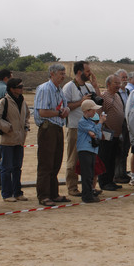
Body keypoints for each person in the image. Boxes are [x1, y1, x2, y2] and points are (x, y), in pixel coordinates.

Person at [33, 63, 70, 207]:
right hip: (47, 128)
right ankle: (43, 195)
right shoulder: (44, 89)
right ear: (52, 74)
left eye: (64, 73)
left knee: (56, 162)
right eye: (61, 73)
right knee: (46, 163)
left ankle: (54, 193)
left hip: (58, 126)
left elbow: (63, 106)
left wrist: (65, 110)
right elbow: (42, 111)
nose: (63, 76)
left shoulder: (59, 90)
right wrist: (59, 113)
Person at [61, 60, 100, 197]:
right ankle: (72, 187)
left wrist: (95, 86)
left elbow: (98, 102)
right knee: (73, 158)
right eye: (88, 71)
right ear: (79, 72)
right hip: (75, 127)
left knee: (89, 159)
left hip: (90, 127)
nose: (90, 73)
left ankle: (88, 187)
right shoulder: (69, 87)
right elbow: (65, 107)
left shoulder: (89, 86)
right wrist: (81, 102)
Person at [0, 78, 30, 202]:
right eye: (19, 86)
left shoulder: (23, 101)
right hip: (8, 140)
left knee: (17, 167)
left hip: (19, 140)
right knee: (6, 168)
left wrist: (26, 127)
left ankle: (17, 192)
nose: (22, 88)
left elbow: (27, 115)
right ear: (12, 88)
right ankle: (7, 194)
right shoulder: (4, 102)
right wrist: (8, 128)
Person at [98, 75, 124, 191]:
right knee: (105, 158)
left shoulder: (117, 96)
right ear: (108, 84)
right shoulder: (104, 97)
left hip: (116, 134)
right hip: (107, 133)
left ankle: (111, 180)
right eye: (116, 83)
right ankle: (104, 182)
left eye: (119, 83)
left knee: (113, 158)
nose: (119, 85)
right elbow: (99, 113)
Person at [77, 99, 105, 203]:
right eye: (92, 110)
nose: (95, 112)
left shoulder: (89, 122)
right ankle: (87, 196)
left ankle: (89, 193)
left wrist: (96, 128)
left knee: (91, 173)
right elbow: (95, 132)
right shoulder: (82, 122)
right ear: (86, 111)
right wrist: (101, 122)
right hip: (85, 150)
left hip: (92, 150)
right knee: (87, 174)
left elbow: (95, 133)